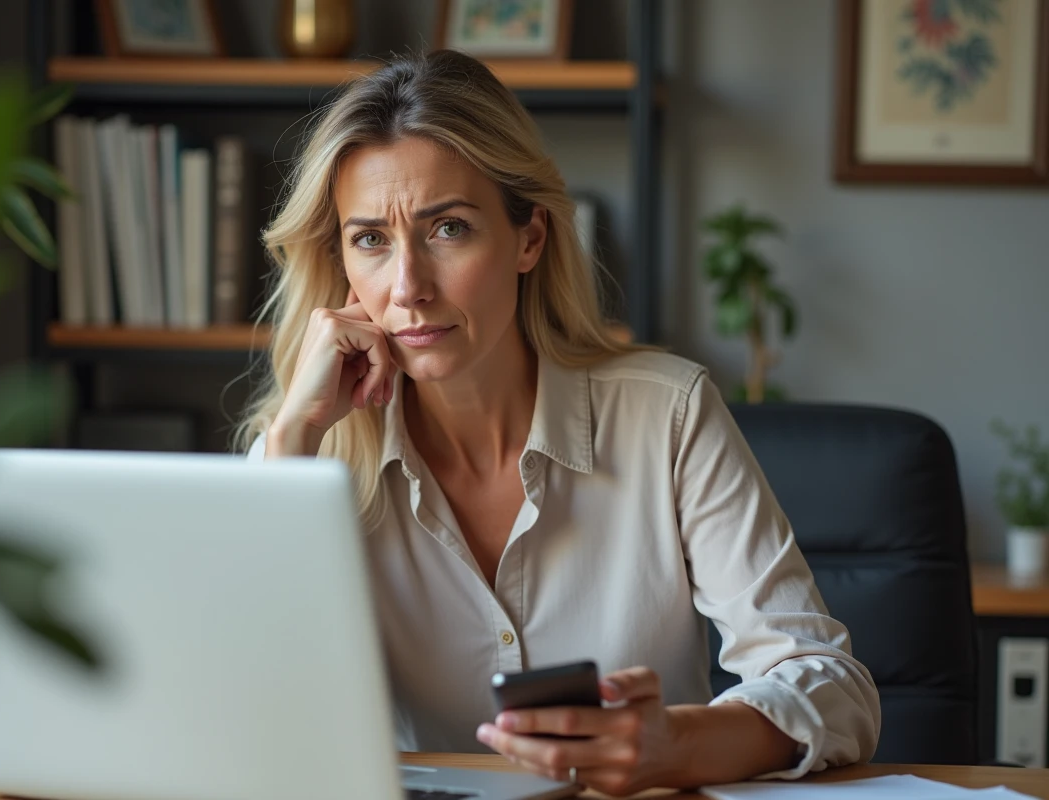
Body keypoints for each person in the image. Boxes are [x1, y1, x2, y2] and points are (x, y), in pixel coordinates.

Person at [237, 49, 880, 796]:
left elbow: (831, 685)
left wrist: (674, 744)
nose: (407, 288)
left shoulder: (666, 416)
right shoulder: (302, 456)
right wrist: (291, 440)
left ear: (530, 239)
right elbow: (238, 708)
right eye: (371, 239)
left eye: (449, 229)